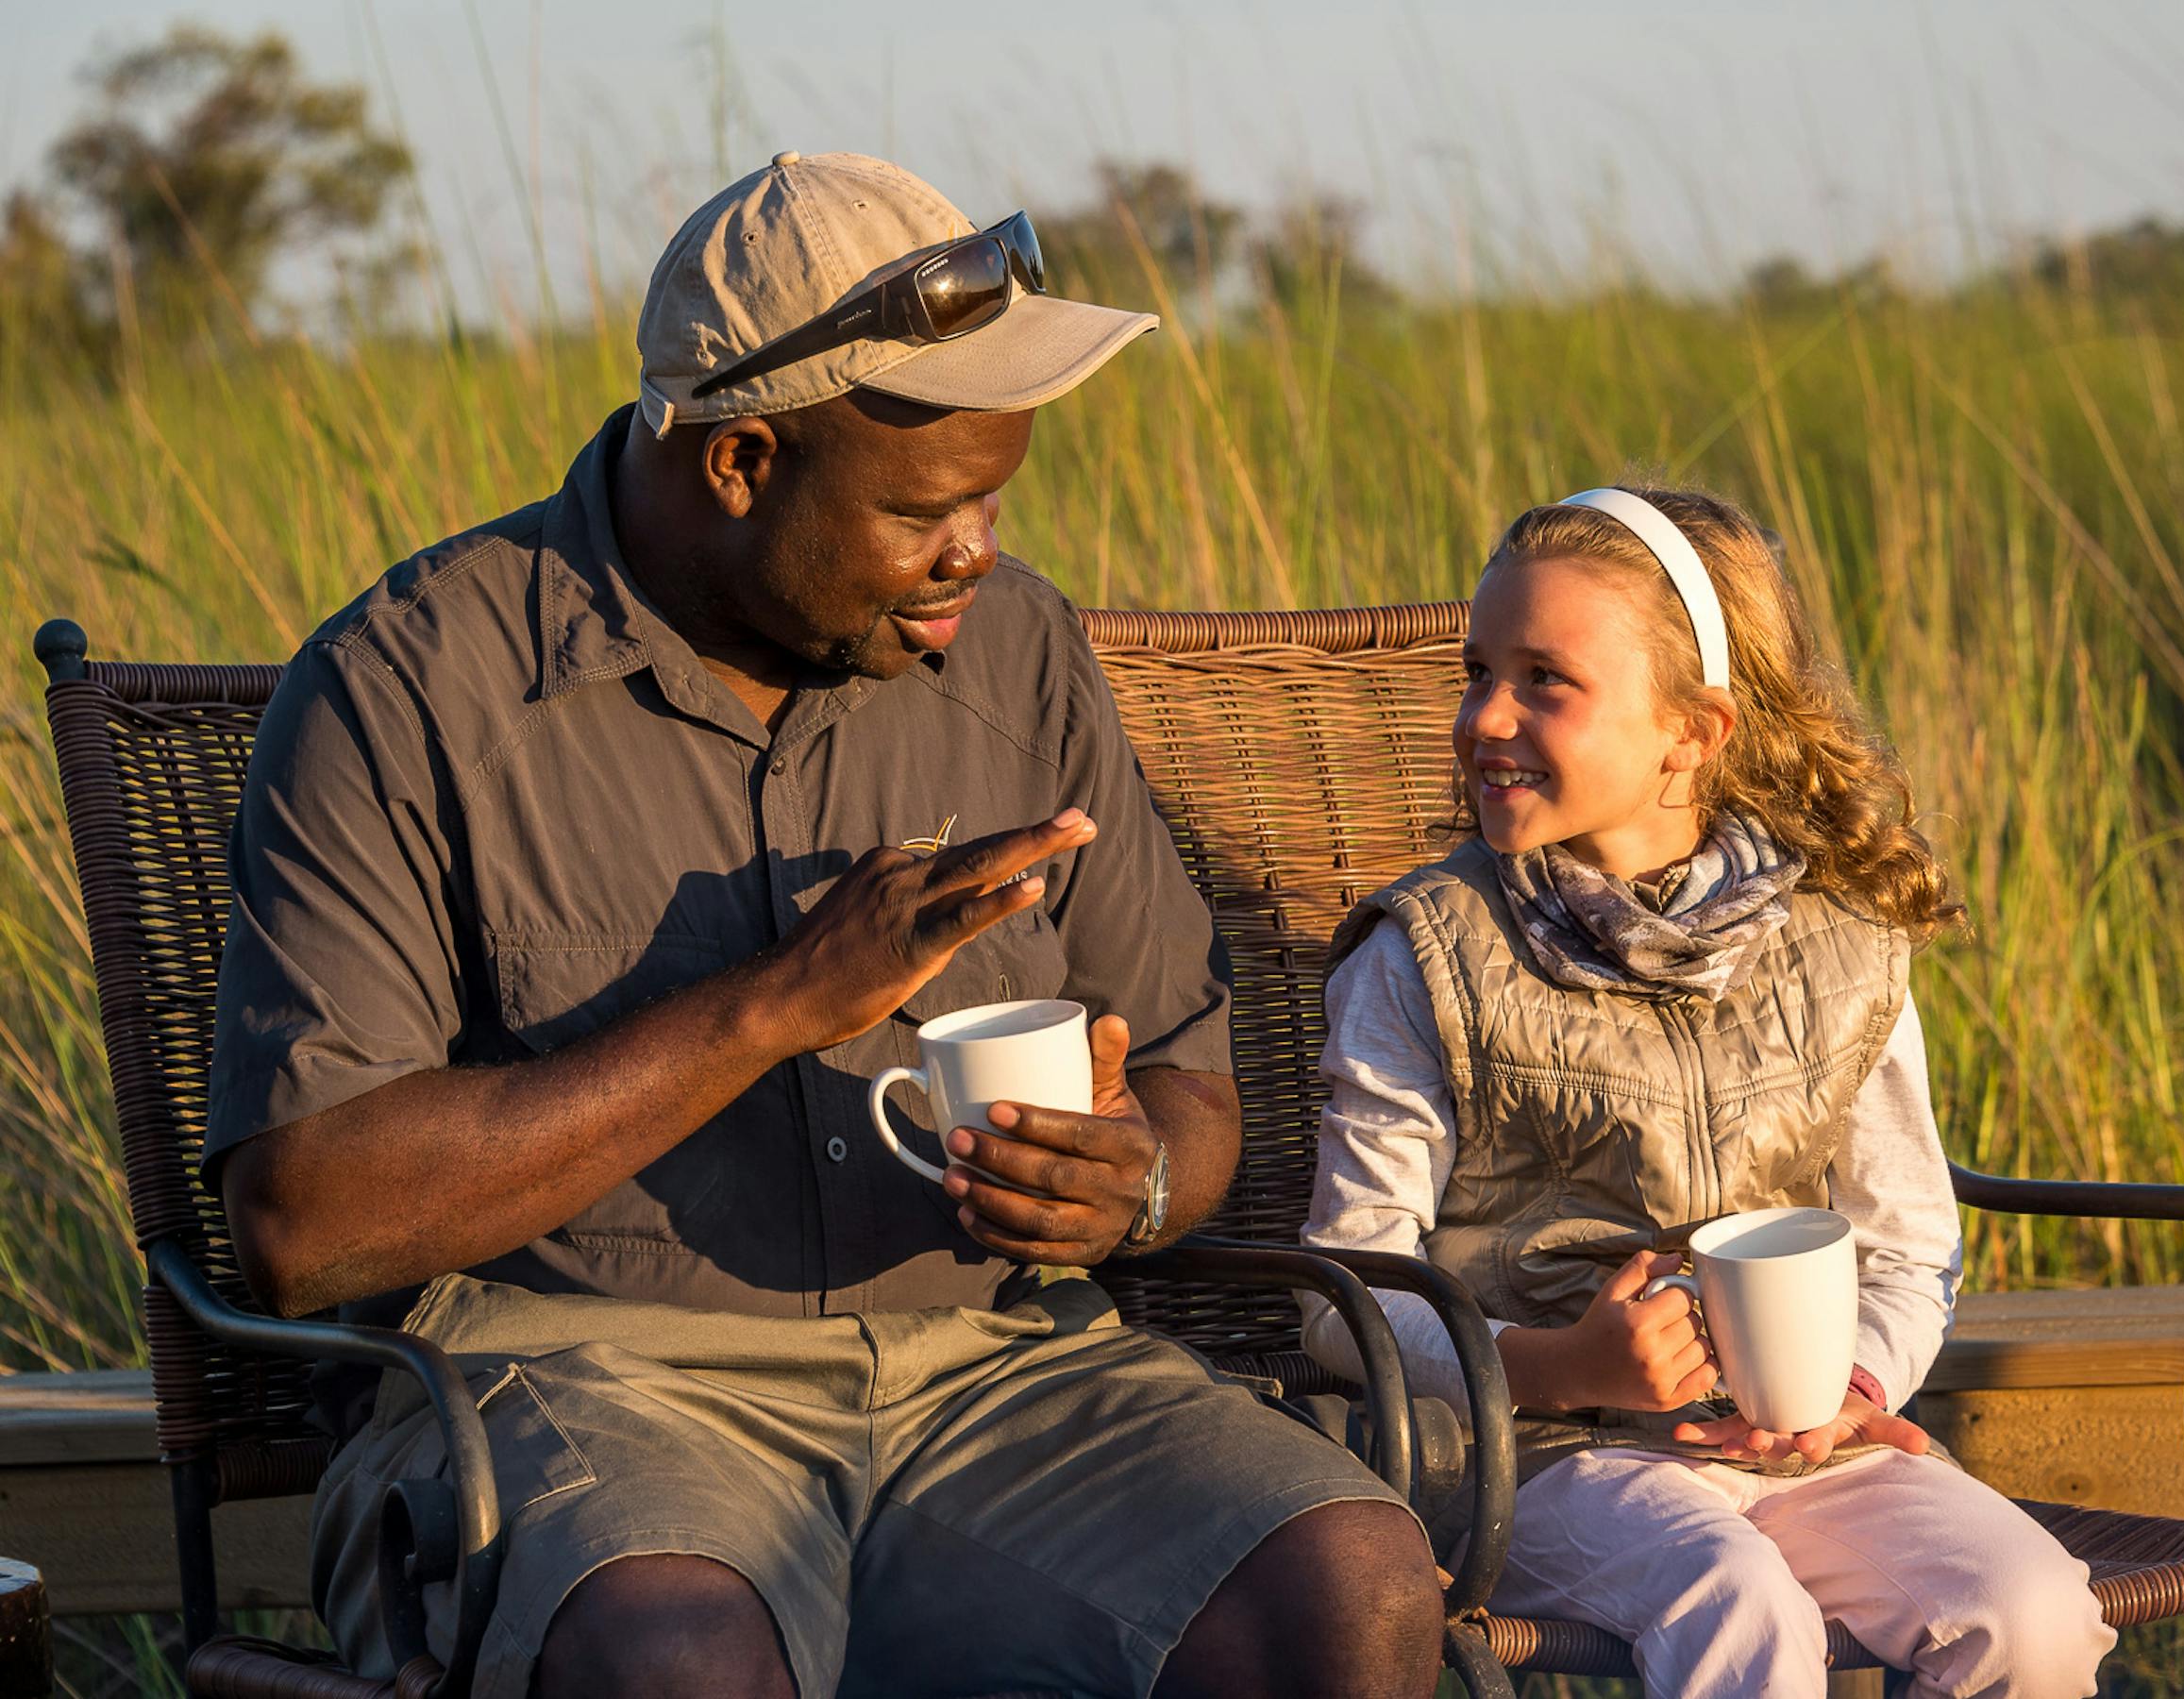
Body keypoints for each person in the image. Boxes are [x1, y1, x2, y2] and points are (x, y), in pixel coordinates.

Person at [208, 150, 1438, 1699]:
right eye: (929, 507)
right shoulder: (406, 691)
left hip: (995, 1384)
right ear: (740, 463)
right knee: (675, 1656)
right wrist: (770, 1005)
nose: (975, 552)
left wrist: (1129, 1188)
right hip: (577, 1393)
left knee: (1349, 1590)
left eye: (995, 497)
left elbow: (1190, 1095)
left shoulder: (1019, 657)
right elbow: (303, 1226)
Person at [1300, 484, 2118, 1696]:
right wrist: (1570, 1365)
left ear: (1692, 732)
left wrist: (1845, 1391)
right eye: (1476, 672)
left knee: (2031, 1609)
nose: (1484, 716)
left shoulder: (1839, 940)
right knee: (1739, 1610)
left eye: (1543, 680)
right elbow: (1341, 1301)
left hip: (1796, 1454)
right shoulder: (1424, 955)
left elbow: (1903, 1242)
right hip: (1524, 1456)